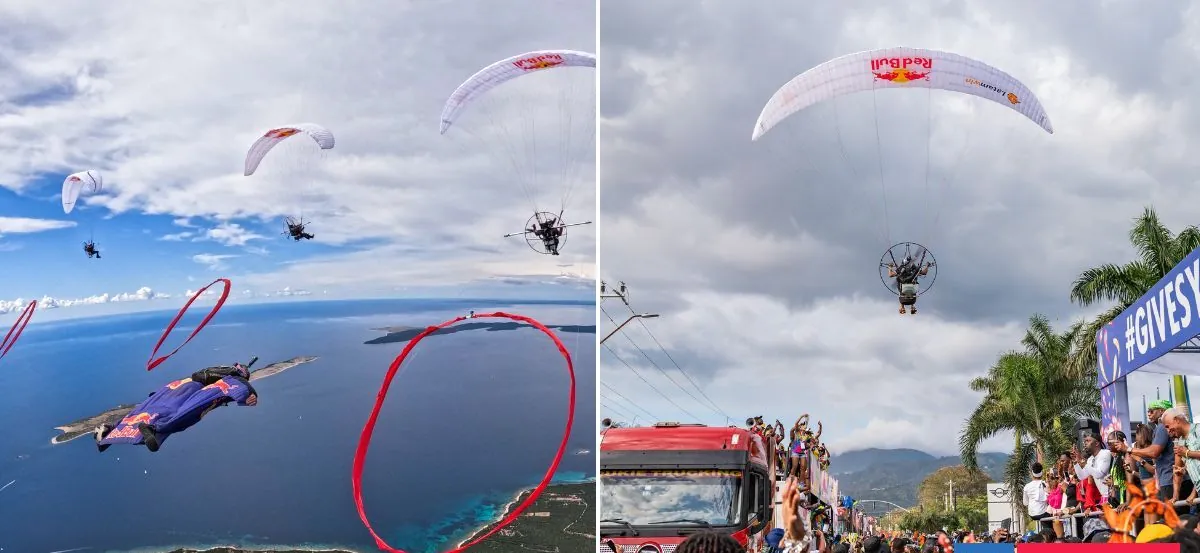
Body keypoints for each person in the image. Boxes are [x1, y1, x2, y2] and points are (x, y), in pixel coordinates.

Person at [94, 361, 258, 452]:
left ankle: (112, 430)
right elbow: (236, 385)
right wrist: (249, 395)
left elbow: (199, 375)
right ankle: (154, 429)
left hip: (175, 388)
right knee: (186, 415)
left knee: (149, 409)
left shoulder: (212, 371)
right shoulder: (232, 377)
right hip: (193, 392)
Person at [1117, 399, 1176, 523]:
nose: (1148, 413)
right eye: (1147, 411)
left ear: (1161, 411)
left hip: (1168, 481)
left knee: (1169, 524)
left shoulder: (1161, 427)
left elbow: (1154, 453)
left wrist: (1130, 450)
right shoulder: (1159, 428)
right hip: (1164, 482)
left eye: (1151, 411)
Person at [1024, 462, 1051, 530]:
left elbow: (1025, 503)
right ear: (1042, 472)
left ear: (1032, 473)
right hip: (1043, 513)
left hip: (1032, 514)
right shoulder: (1045, 484)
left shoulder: (1027, 486)